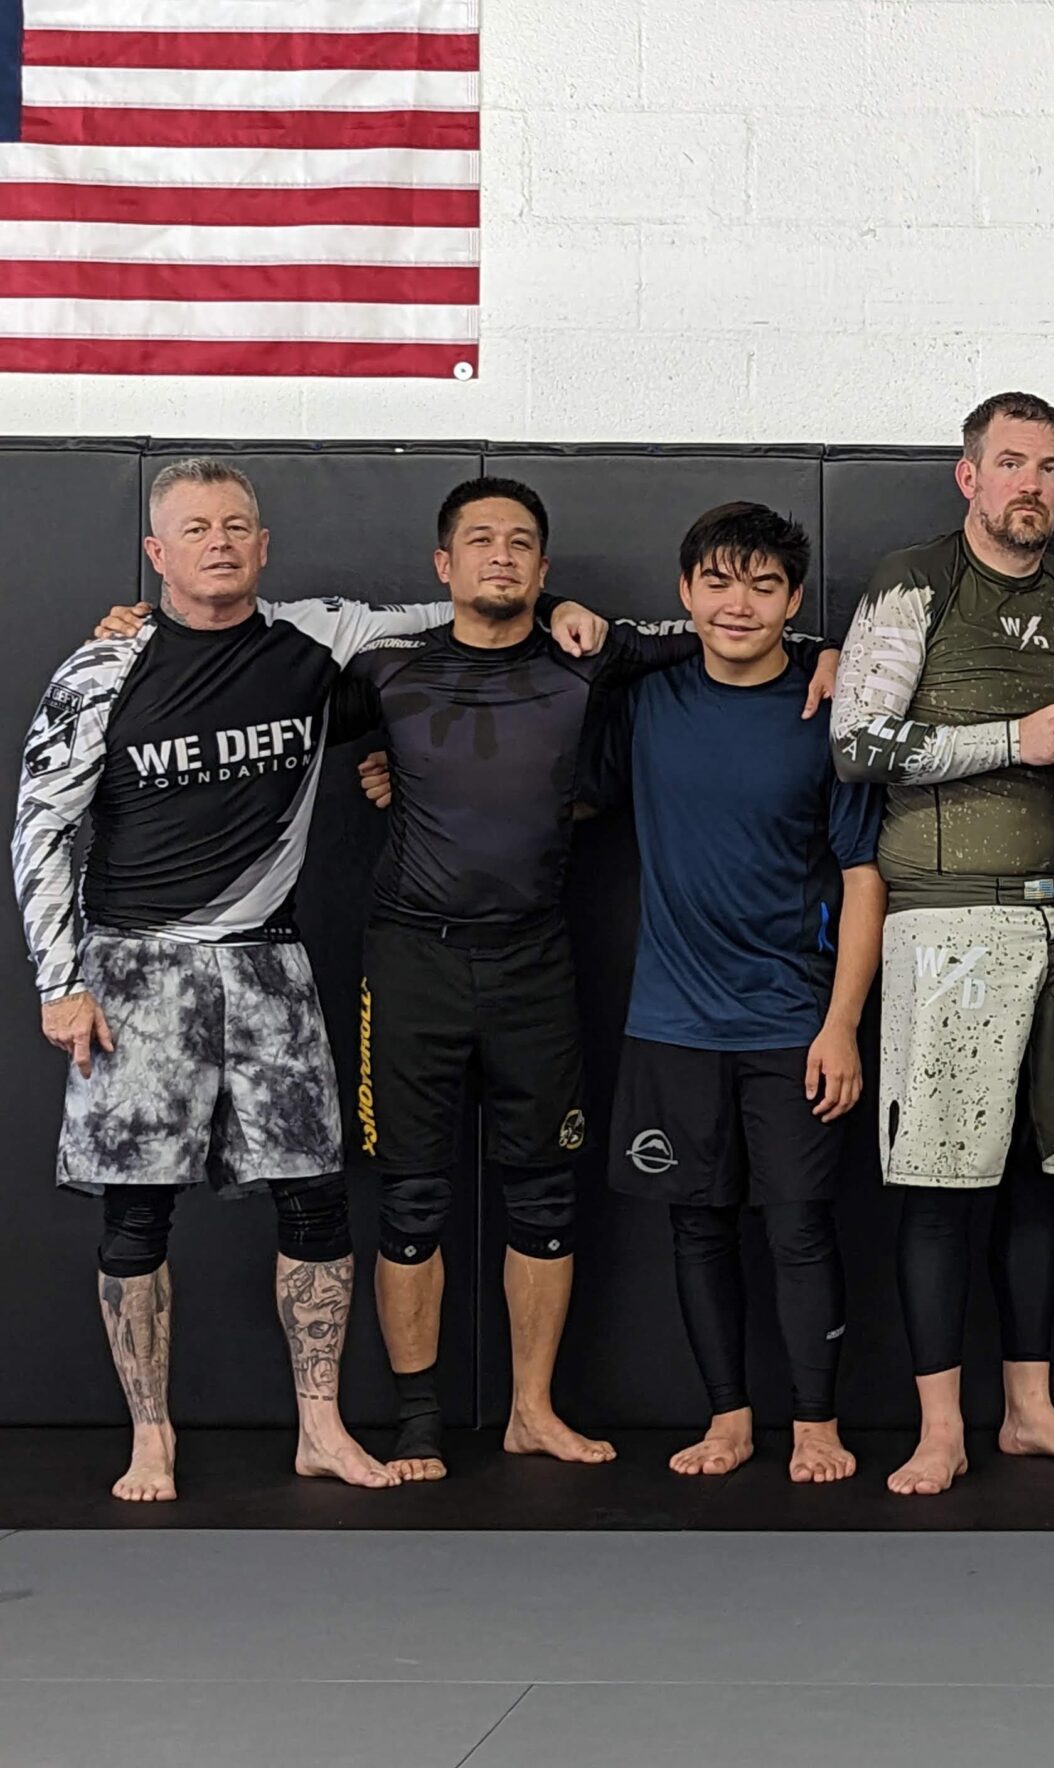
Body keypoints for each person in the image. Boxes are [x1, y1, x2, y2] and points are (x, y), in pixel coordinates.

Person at [12, 458, 536, 1501]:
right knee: (135, 1213)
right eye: (195, 526)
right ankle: (150, 1435)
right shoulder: (100, 668)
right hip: (135, 967)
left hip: (265, 960)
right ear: (156, 552)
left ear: (263, 546)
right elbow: (42, 824)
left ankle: (320, 1426)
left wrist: (562, 616)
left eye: (238, 525)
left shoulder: (316, 634)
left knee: (315, 1199)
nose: (219, 540)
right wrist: (57, 977)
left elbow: (464, 611)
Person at [333, 479, 834, 1482]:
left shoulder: (593, 660)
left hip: (535, 958)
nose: (501, 557)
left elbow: (731, 629)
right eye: (480, 541)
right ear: (444, 566)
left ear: (546, 568)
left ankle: (530, 1409)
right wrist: (134, 627)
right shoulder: (382, 672)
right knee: (411, 1201)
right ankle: (420, 1418)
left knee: (545, 1195)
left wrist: (838, 652)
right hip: (413, 959)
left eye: (521, 543)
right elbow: (256, 699)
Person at [832, 391, 1054, 1497]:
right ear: (968, 475)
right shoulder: (915, 578)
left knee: (1042, 1179)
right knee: (940, 1184)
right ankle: (938, 1427)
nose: (1033, 486)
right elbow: (856, 743)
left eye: (1052, 468)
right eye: (1011, 464)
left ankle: (1031, 1409)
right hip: (949, 917)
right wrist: (1016, 733)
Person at [591, 502, 883, 1484]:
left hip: (792, 1020)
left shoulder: (825, 706)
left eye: (764, 584)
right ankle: (727, 1416)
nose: (739, 603)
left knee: (798, 1224)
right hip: (671, 1021)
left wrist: (841, 1023)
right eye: (718, 580)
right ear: (685, 593)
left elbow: (862, 874)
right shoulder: (644, 699)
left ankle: (815, 1420)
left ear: (793, 600)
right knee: (697, 1223)